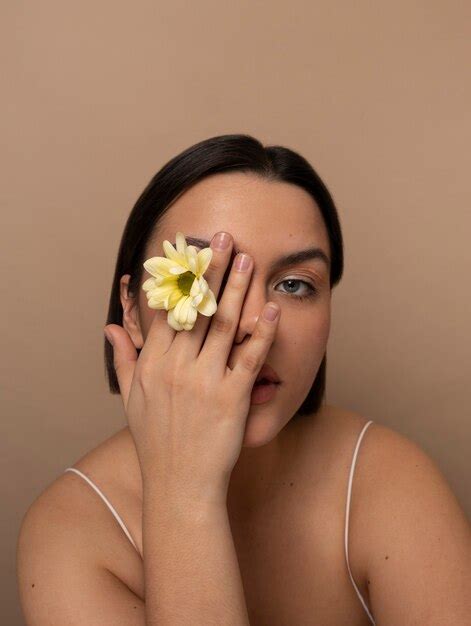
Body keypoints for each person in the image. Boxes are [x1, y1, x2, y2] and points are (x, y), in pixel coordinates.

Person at [17, 134, 471, 625]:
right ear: (131, 310)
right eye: (205, 279)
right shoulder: (71, 529)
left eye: (294, 285)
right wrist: (183, 490)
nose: (252, 320)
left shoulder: (390, 483)